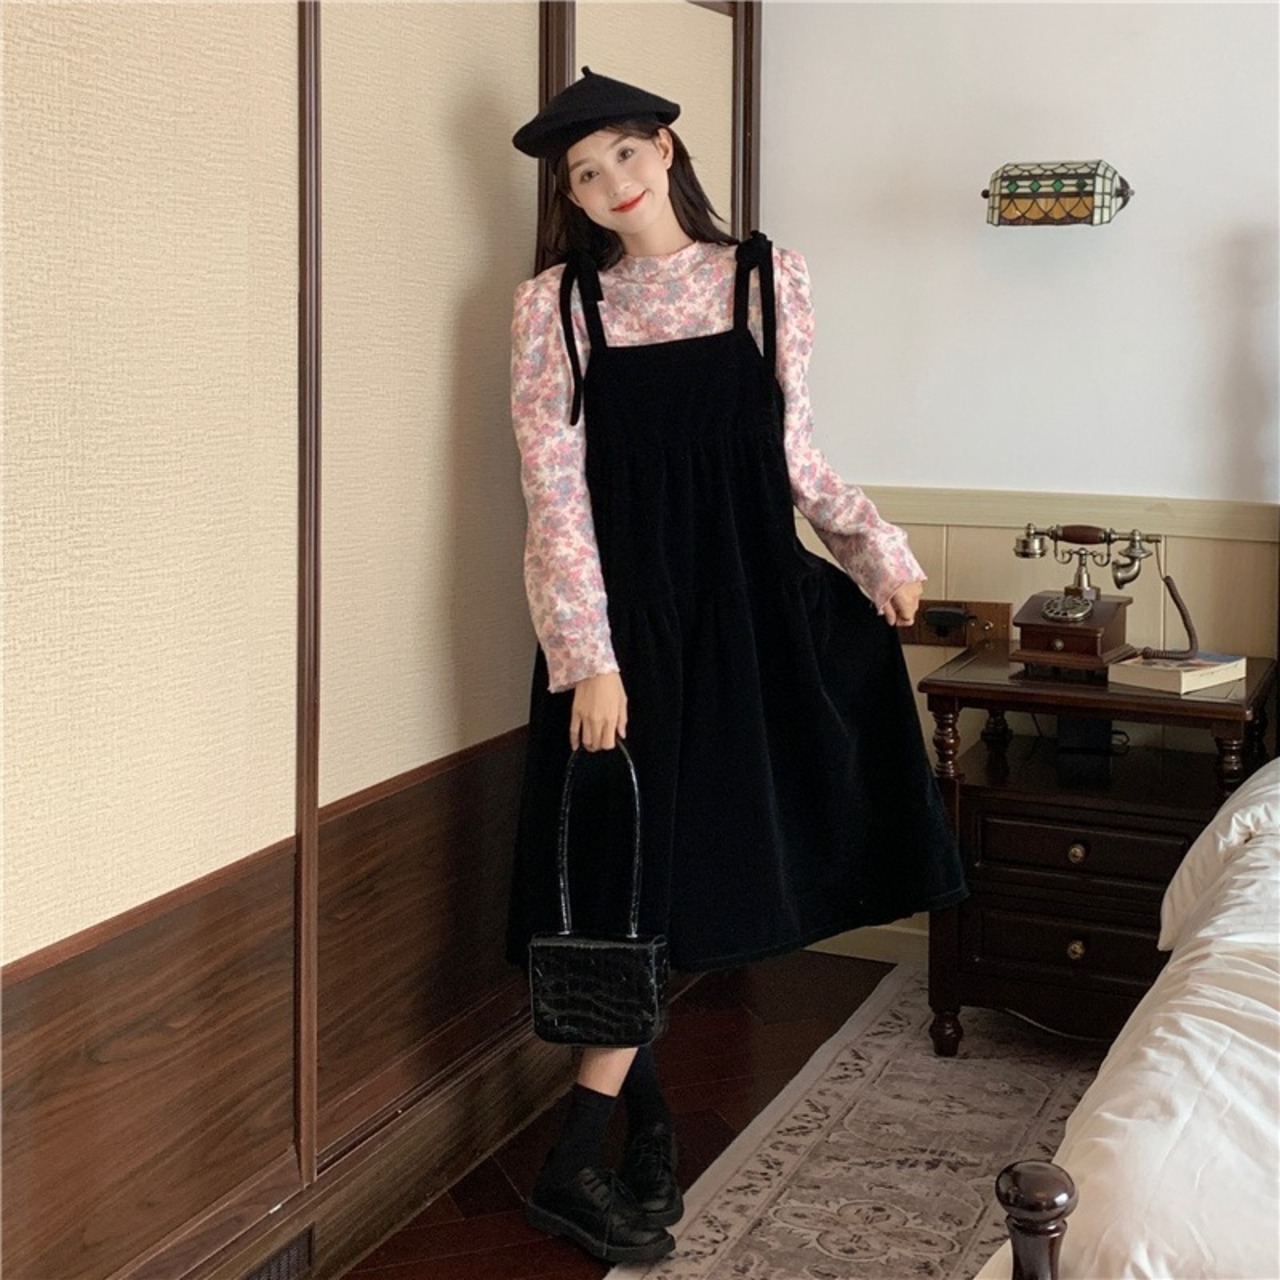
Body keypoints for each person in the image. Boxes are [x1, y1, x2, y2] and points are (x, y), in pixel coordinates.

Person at [505, 69, 967, 1265]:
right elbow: (554, 498)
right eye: (582, 174)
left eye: (621, 154)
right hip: (626, 638)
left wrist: (874, 551)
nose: (608, 183)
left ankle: (648, 1131)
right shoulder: (555, 307)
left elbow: (794, 456)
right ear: (569, 196)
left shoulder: (765, 278)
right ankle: (570, 1163)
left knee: (688, 881)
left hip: (744, 617)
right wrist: (588, 658)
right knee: (630, 888)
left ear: (665, 149)